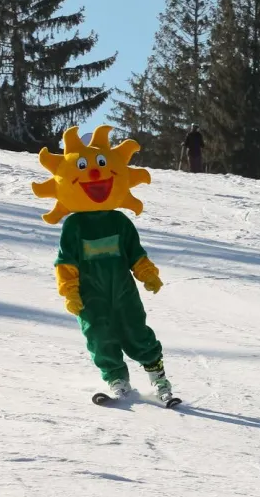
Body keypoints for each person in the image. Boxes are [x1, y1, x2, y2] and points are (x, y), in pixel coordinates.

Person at [32, 125, 178, 404]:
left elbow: (135, 253)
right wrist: (70, 291)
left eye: (101, 165)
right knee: (98, 334)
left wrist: (147, 274)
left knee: (136, 329)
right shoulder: (74, 225)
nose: (96, 173)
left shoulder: (120, 222)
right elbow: (66, 261)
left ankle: (158, 376)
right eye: (85, 167)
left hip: (123, 290)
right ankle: (116, 378)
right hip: (90, 293)